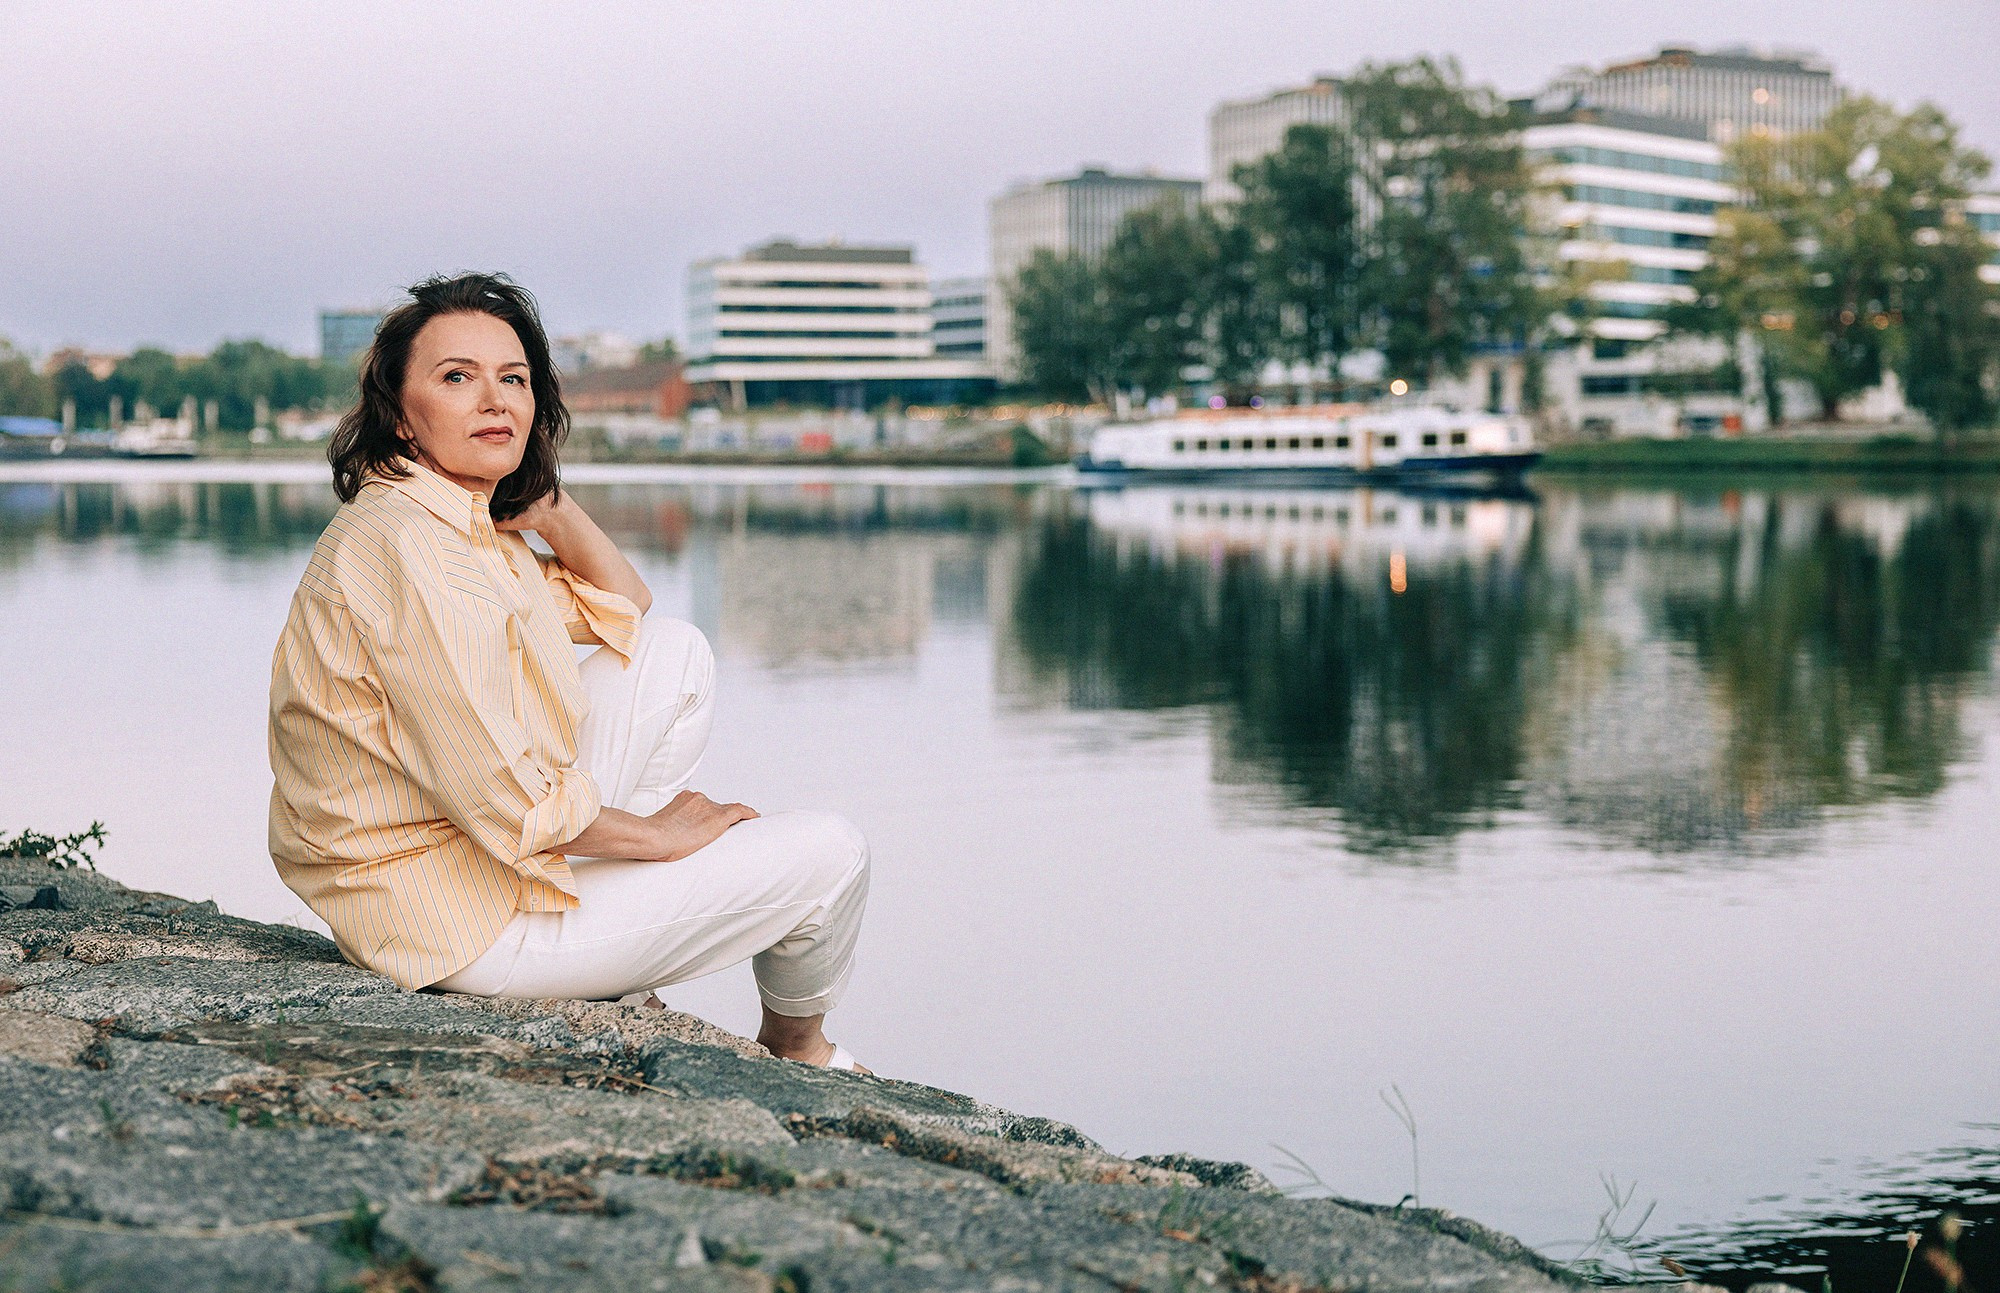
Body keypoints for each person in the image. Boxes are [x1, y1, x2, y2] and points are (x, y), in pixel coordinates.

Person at [268, 272, 869, 1070]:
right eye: (457, 378)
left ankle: (613, 958)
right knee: (832, 853)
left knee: (673, 653)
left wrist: (549, 506)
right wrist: (657, 837)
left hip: (467, 868)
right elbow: (507, 803)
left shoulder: (454, 522)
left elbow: (627, 606)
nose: (497, 401)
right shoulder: (415, 552)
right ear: (402, 419)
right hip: (455, 929)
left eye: (513, 380)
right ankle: (799, 1051)